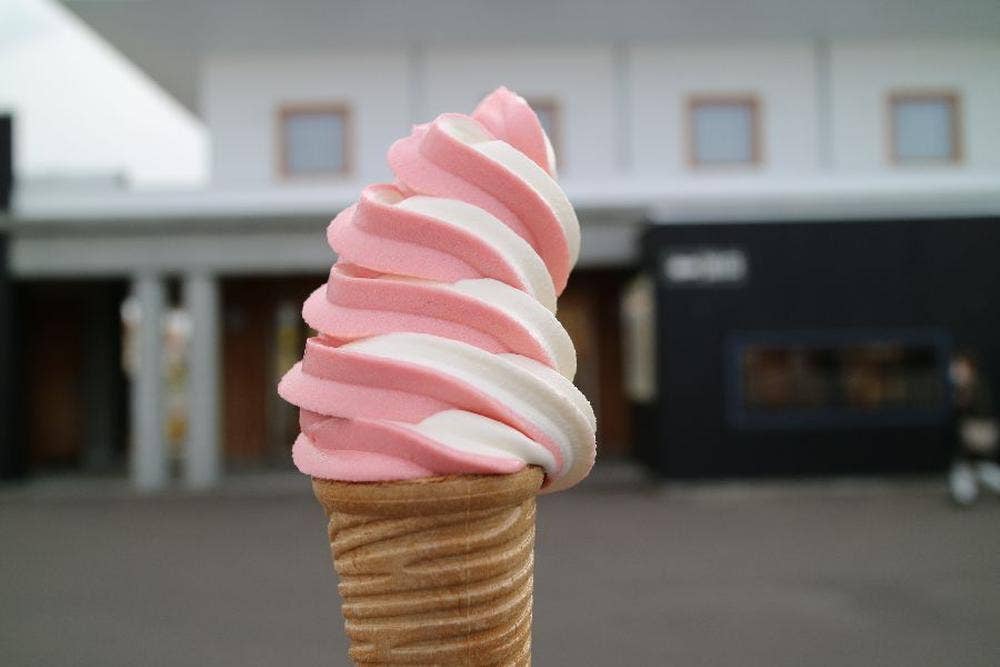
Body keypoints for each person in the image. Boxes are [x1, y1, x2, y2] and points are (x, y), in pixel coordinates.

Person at [948, 350, 1000, 505]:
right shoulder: (968, 385)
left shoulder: (973, 385)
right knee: (973, 465)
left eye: (959, 366)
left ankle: (964, 494)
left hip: (979, 431)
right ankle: (964, 494)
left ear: (968, 367)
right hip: (977, 431)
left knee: (970, 464)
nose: (955, 369)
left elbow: (977, 410)